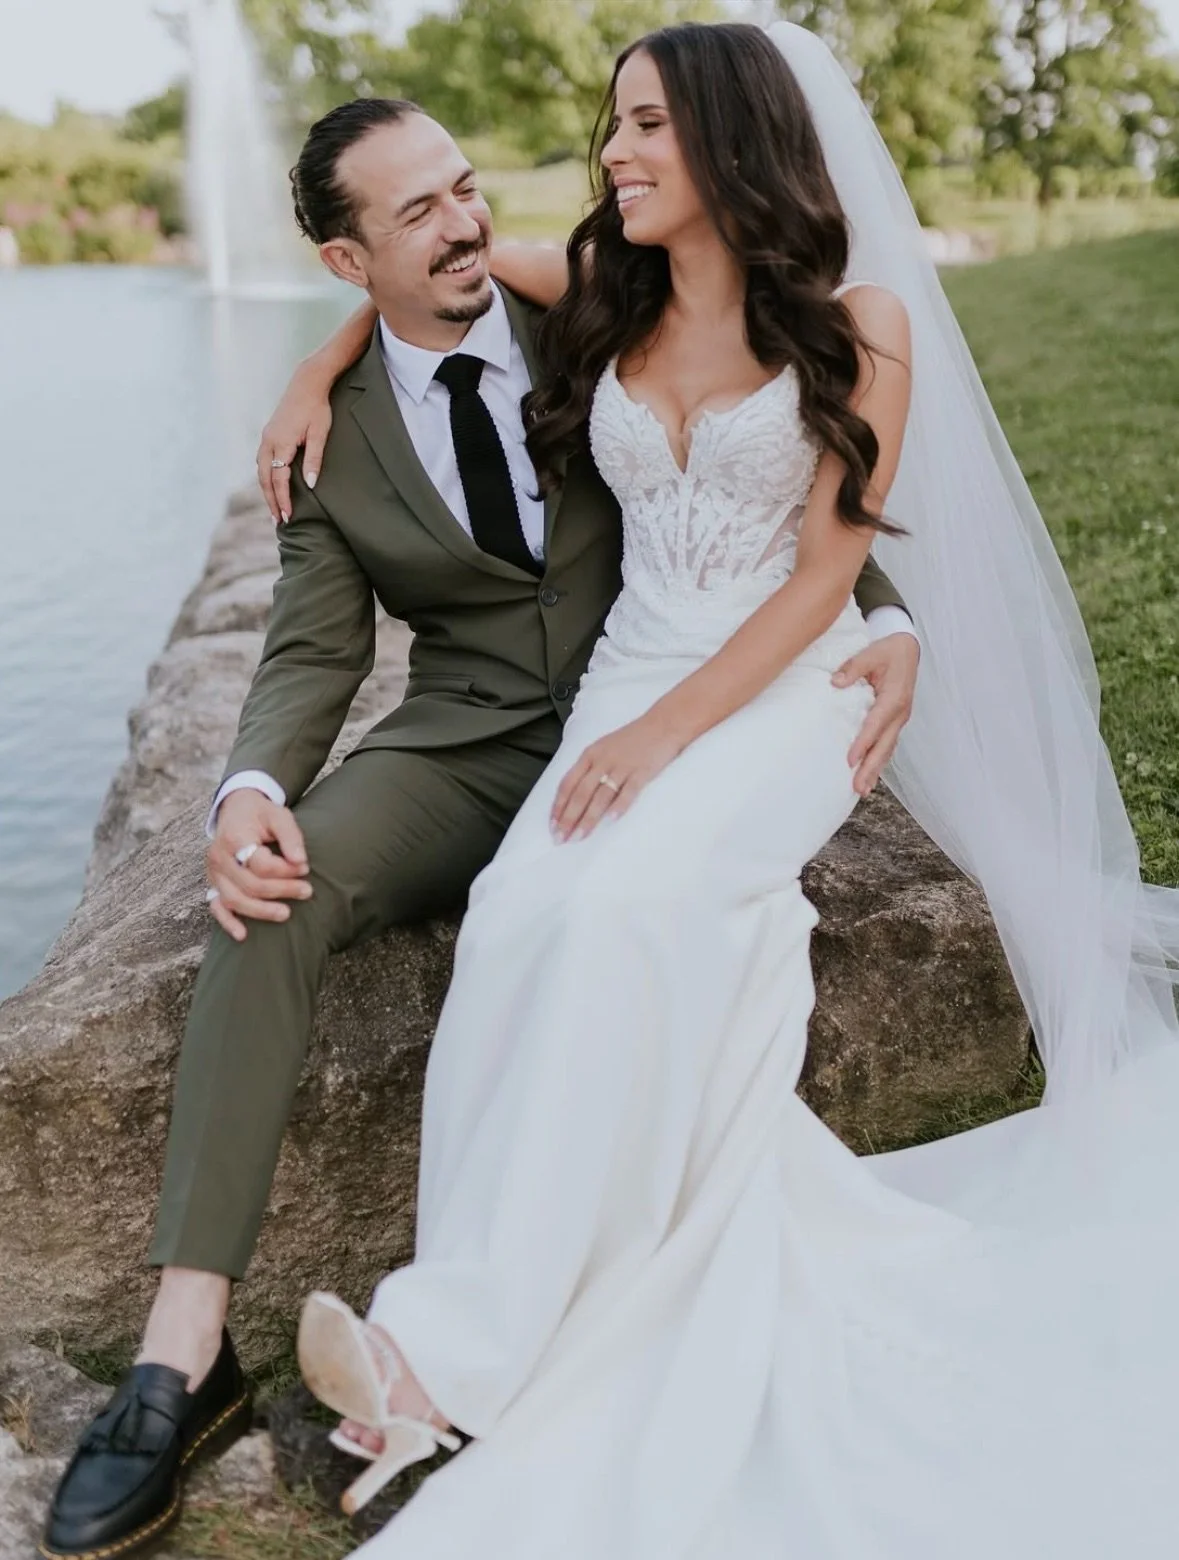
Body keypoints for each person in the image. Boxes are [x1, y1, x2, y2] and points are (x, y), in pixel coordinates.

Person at [285, 22, 1179, 1560]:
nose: (614, 154)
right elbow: (430, 280)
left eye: (643, 126)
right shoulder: (609, 293)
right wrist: (316, 362)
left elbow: (826, 573)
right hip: (637, 669)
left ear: (726, 142)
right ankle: (483, 1320)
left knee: (631, 902)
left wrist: (661, 742)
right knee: (517, 913)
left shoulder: (862, 324)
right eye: (613, 126)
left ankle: (449, 1359)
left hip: (783, 692)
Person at [39, 71, 921, 1560]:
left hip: (676, 700)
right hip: (470, 746)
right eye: (416, 213)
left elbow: (780, 467)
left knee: (609, 918)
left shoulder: (588, 303)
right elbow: (311, 648)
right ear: (343, 261)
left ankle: (469, 1344)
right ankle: (177, 1358)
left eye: (463, 188)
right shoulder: (329, 430)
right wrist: (248, 792)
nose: (462, 224)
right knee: (272, 895)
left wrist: (886, 614)